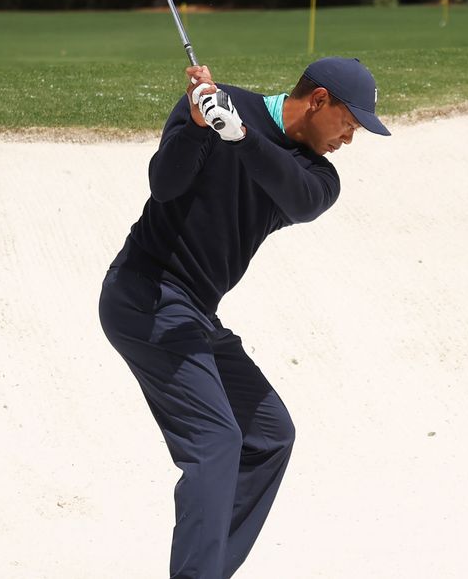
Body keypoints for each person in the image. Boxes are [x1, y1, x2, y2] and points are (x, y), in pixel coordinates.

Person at [98, 57, 390, 579]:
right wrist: (195, 126)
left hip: (193, 313)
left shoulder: (317, 175)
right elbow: (164, 186)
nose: (350, 137)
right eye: (349, 122)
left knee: (269, 435)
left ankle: (205, 570)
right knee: (216, 441)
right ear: (319, 100)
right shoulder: (214, 105)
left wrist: (241, 137)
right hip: (146, 292)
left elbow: (298, 201)